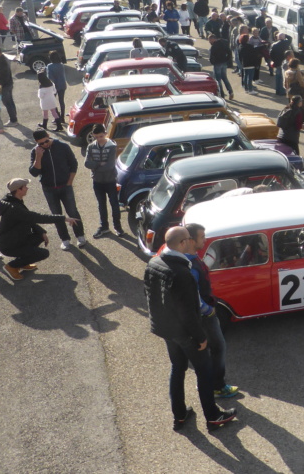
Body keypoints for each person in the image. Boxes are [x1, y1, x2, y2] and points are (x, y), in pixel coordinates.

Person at [144, 226, 237, 432]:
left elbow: (149, 296)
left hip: (166, 330)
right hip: (185, 332)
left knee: (177, 369)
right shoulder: (182, 272)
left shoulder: (154, 263)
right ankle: (213, 417)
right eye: (188, 239)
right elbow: (188, 310)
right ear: (183, 243)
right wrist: (200, 337)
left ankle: (179, 415)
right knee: (204, 372)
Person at [184, 222, 239, 401]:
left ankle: (209, 382)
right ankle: (217, 386)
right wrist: (208, 310)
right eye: (202, 237)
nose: (205, 240)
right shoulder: (191, 265)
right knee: (218, 347)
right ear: (191, 240)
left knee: (209, 349)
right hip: (204, 315)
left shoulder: (190, 258)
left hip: (200, 313)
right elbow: (193, 296)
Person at [0, 178, 76, 280]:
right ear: (19, 190)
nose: (27, 188)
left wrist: (41, 232)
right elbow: (37, 217)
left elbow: (28, 219)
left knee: (39, 236)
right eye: (25, 187)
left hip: (15, 239)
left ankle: (23, 262)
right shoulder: (14, 208)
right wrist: (64, 218)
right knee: (43, 253)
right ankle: (12, 266)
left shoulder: (14, 200)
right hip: (9, 245)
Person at [29, 128, 87, 250]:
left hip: (65, 187)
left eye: (46, 141)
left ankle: (80, 236)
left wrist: (69, 182)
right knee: (56, 215)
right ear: (36, 142)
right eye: (41, 143)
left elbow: (73, 164)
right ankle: (65, 239)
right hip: (49, 189)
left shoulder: (63, 146)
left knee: (72, 211)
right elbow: (34, 172)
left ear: (48, 136)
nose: (44, 144)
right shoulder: (35, 152)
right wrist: (38, 156)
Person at [84, 124, 124, 239]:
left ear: (105, 134)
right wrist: (99, 164)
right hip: (97, 181)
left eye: (101, 136)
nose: (99, 139)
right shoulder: (91, 147)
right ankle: (104, 227)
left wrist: (95, 167)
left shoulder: (111, 146)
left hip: (110, 180)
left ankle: (118, 227)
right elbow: (86, 163)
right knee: (101, 205)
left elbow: (110, 166)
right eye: (96, 137)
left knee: (114, 205)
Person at [0, 46, 17, 124]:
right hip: (8, 84)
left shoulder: (1, 63)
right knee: (10, 102)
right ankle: (14, 118)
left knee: (8, 103)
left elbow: (2, 78)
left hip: (4, 87)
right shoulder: (2, 58)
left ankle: (13, 120)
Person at [207, 35, 235, 99]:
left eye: (209, 40)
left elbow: (211, 56)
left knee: (218, 80)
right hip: (224, 62)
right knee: (225, 78)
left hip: (217, 64)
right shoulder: (223, 43)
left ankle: (221, 94)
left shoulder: (214, 46)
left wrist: (213, 62)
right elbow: (229, 51)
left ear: (213, 39)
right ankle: (230, 92)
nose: (209, 41)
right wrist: (227, 59)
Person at [45, 53, 68, 130]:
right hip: (62, 85)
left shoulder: (49, 66)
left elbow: (50, 78)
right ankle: (62, 117)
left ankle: (57, 117)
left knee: (53, 102)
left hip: (54, 87)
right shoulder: (61, 65)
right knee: (61, 101)